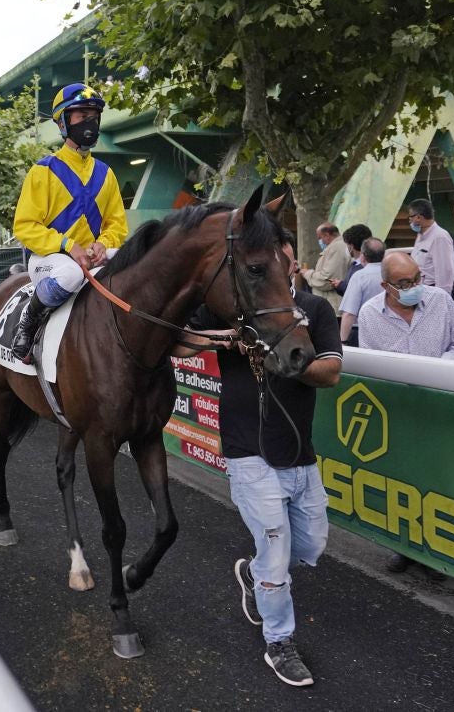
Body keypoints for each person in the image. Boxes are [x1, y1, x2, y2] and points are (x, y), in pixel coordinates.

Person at [175, 233, 342, 688]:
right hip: (248, 453)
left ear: (294, 265)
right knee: (276, 553)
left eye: (282, 264)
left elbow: (329, 371)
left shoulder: (317, 310)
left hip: (300, 456)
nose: (275, 272)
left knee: (309, 548)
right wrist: (226, 341)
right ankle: (279, 642)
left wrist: (278, 358)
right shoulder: (229, 308)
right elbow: (179, 343)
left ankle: (250, 573)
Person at [11, 83, 128, 362]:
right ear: (63, 122)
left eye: (93, 115)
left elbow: (117, 225)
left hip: (92, 255)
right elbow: (25, 226)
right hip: (49, 259)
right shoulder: (43, 171)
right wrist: (67, 245)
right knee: (70, 275)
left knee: (136, 262)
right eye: (81, 115)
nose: (89, 121)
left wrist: (103, 243)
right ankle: (28, 322)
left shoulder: (106, 173)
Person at [358, 250, 454, 577]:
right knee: (402, 479)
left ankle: (439, 550)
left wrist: (434, 371)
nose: (415, 286)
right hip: (397, 413)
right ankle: (404, 547)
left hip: (440, 408)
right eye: (405, 283)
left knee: (442, 479)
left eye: (417, 279)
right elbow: (371, 368)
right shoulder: (370, 314)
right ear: (386, 285)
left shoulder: (441, 301)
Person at [338, 237, 385, 346]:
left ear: (362, 256)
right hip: (389, 330)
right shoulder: (392, 273)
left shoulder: (360, 276)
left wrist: (343, 341)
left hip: (362, 332)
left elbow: (349, 313)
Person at [300, 222, 350, 315]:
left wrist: (308, 274)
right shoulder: (337, 246)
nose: (319, 241)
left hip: (333, 304)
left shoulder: (337, 248)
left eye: (319, 238)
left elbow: (327, 279)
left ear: (327, 235)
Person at [408, 198, 454, 295]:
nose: (409, 220)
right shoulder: (421, 234)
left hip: (431, 293)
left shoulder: (440, 237)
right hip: (418, 290)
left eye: (410, 217)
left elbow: (445, 273)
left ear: (418, 218)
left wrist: (440, 299)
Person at [332, 223, 372, 297]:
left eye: (347, 244)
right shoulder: (372, 263)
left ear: (351, 246)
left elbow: (355, 294)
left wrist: (341, 285)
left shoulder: (360, 268)